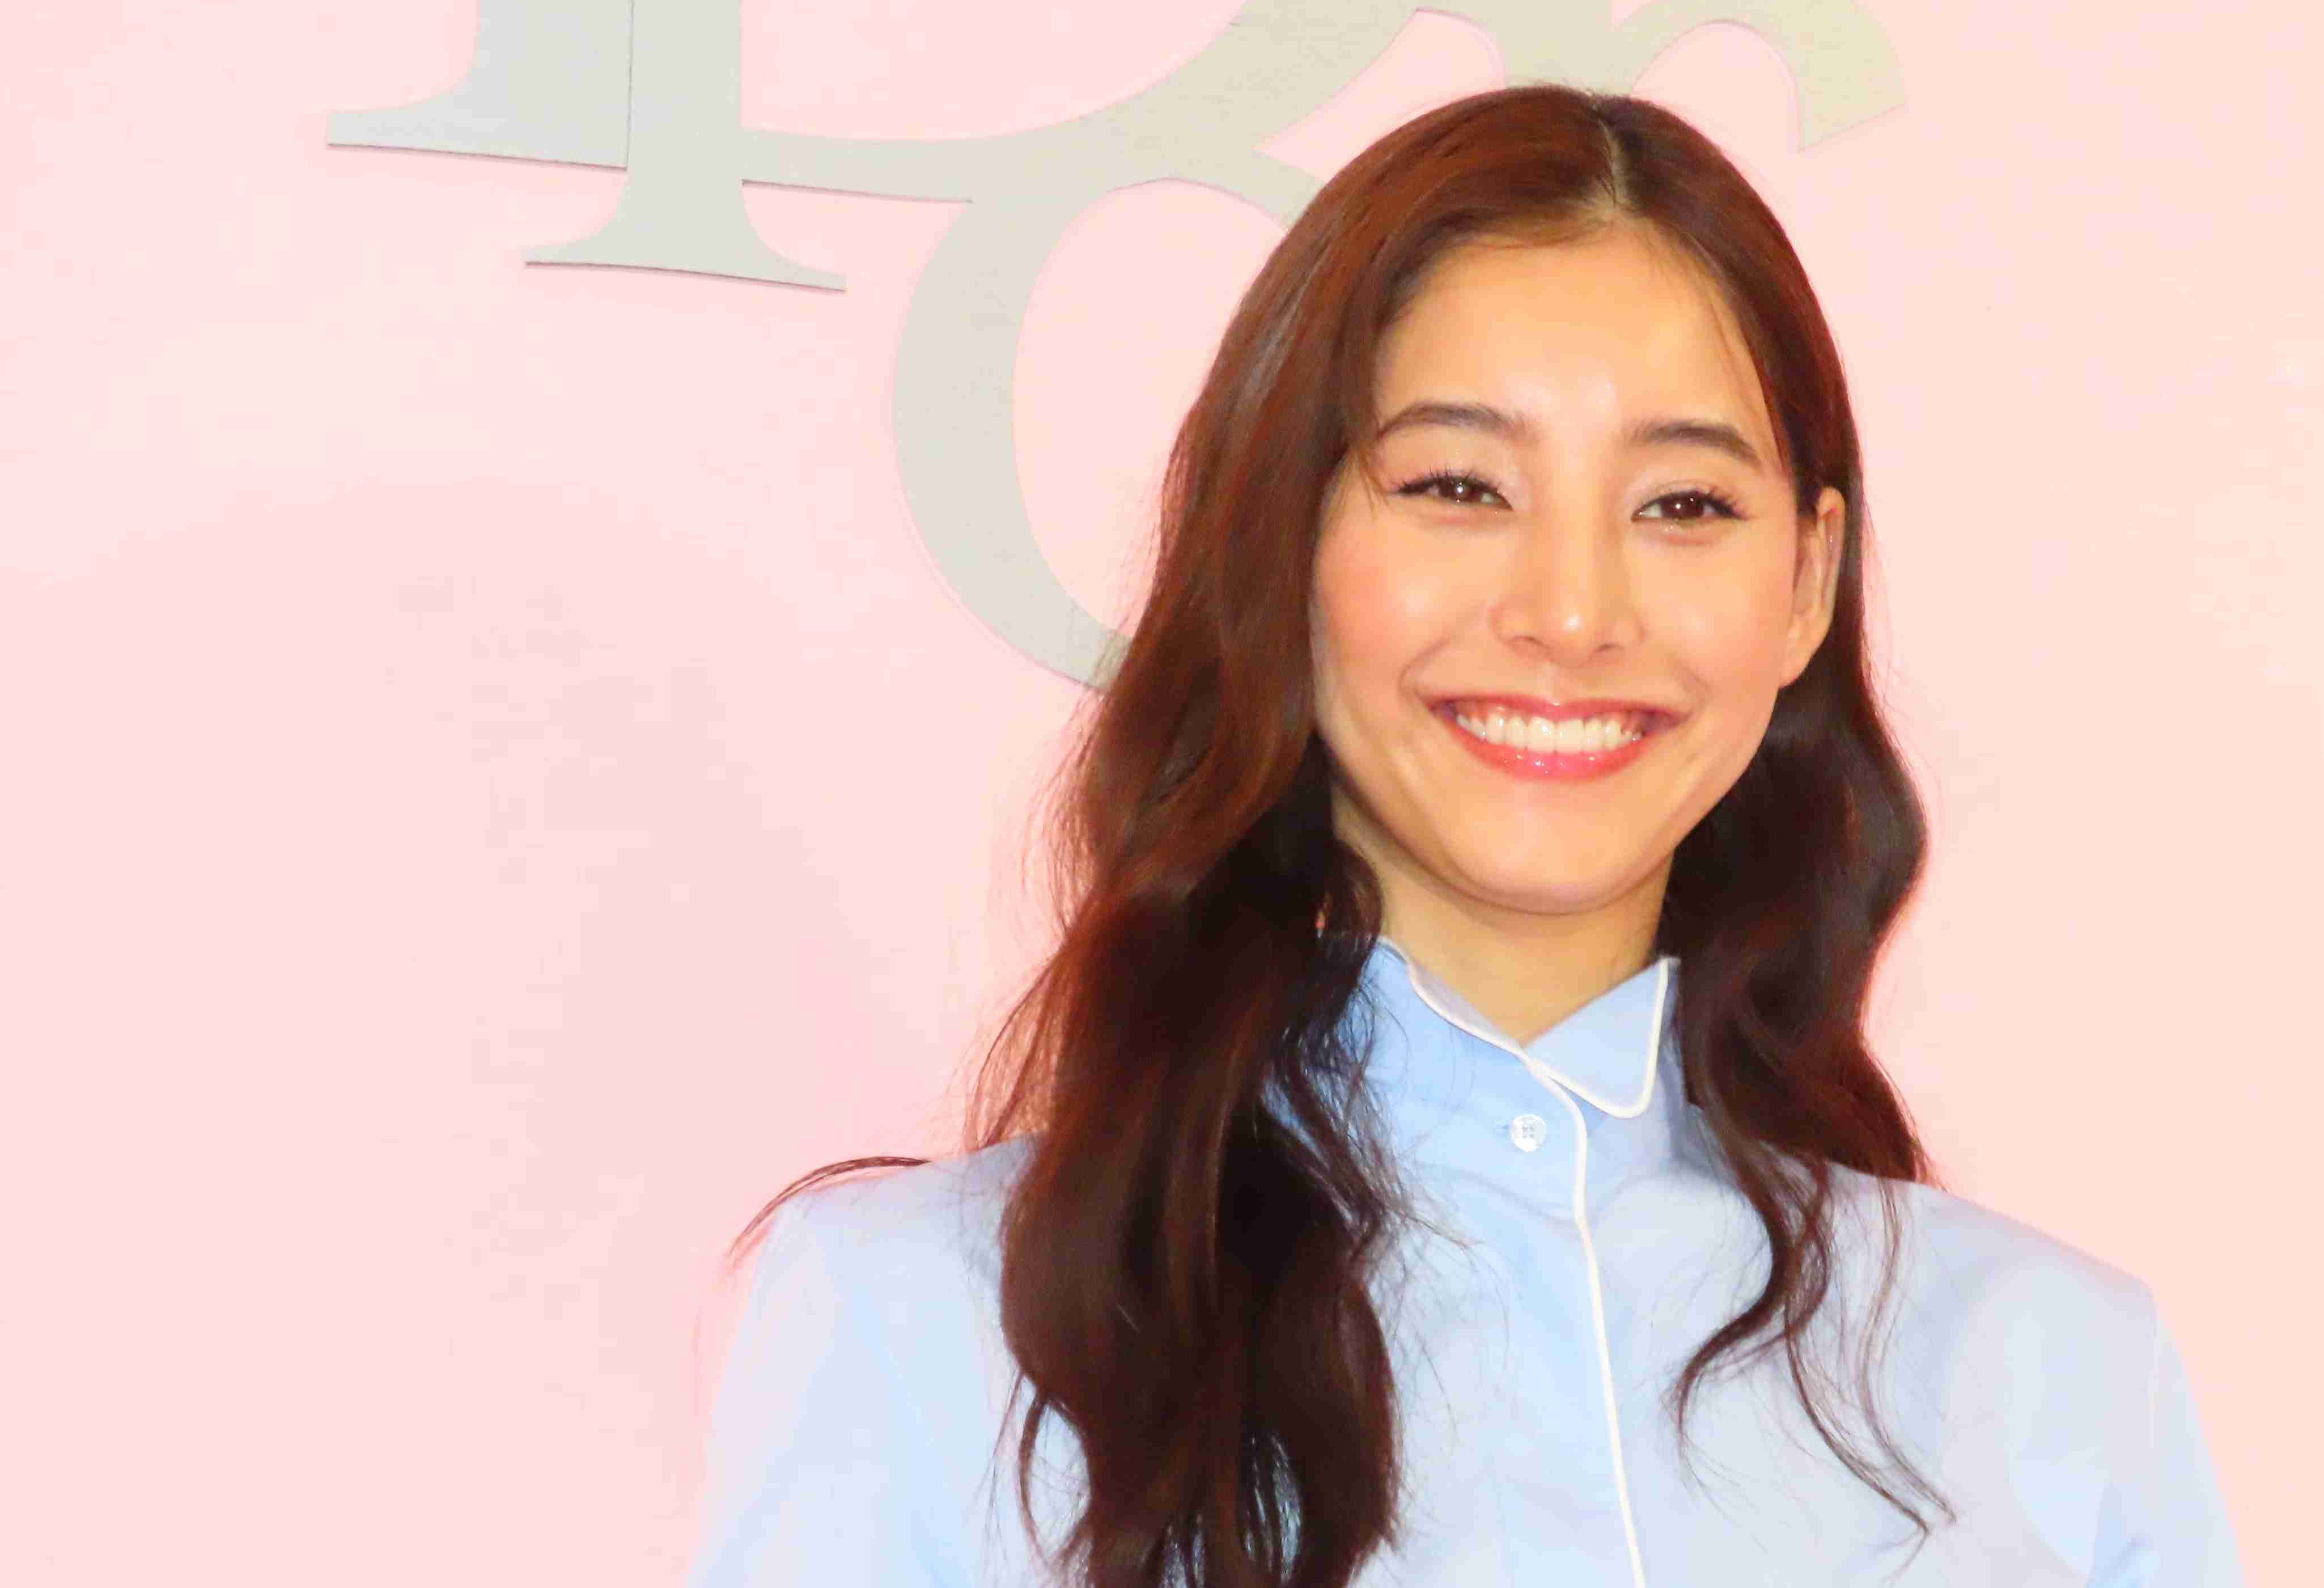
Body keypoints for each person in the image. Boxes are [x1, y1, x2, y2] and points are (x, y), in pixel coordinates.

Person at [682, 83, 2244, 1588]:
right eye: (1457, 485)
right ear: (1282, 543)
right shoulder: (922, 1322)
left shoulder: (2055, 1376)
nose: (1571, 612)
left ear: (1808, 584)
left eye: (1684, 505)